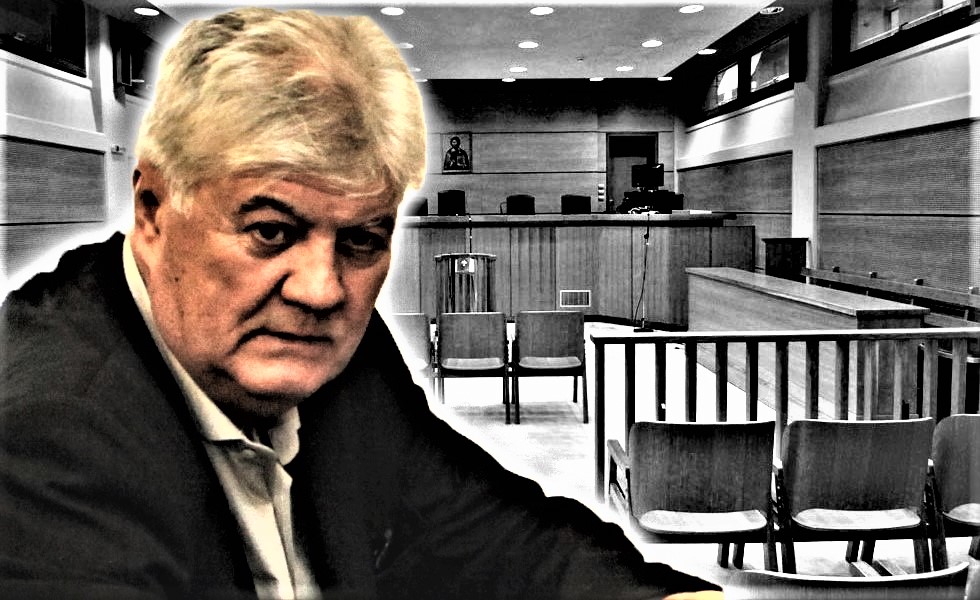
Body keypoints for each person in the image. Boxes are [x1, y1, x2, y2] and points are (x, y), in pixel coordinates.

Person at [0, 8, 722, 600]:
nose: (321, 290)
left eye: (361, 241)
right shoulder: (41, 437)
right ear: (154, 211)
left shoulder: (334, 352)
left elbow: (484, 528)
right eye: (271, 231)